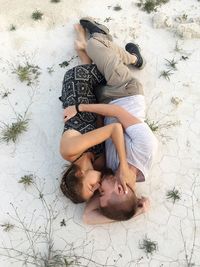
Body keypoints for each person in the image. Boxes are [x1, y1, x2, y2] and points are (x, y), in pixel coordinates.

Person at [63, 18, 158, 223]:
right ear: (121, 188)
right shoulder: (146, 150)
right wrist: (80, 108)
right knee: (94, 45)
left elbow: (88, 217)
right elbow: (116, 112)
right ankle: (133, 58)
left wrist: (135, 212)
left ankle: (89, 46)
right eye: (102, 194)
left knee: (86, 58)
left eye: (98, 195)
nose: (99, 193)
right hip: (124, 90)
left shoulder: (110, 171)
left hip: (102, 100)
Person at [59, 24, 132, 204]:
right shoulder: (98, 163)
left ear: (79, 173)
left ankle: (129, 56)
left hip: (77, 82)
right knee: (101, 84)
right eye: (96, 192)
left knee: (118, 72)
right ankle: (82, 48)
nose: (98, 187)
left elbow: (114, 128)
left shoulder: (69, 151)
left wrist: (123, 166)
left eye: (91, 187)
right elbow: (90, 215)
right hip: (91, 98)